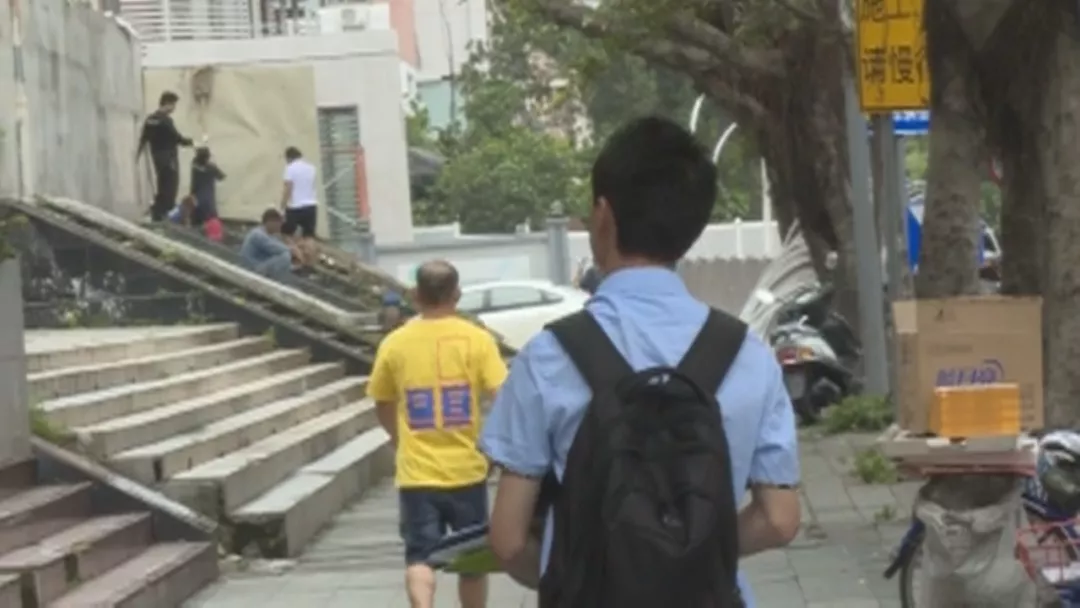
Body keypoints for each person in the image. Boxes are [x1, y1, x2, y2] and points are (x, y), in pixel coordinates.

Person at [479, 117, 801, 607]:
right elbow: (779, 519)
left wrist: (585, 570)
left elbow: (507, 539)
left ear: (603, 215)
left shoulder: (549, 356)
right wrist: (684, 556)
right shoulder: (748, 355)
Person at [367, 260, 508, 608]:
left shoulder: (395, 343)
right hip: (467, 471)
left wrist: (399, 440)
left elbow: (382, 401)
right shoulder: (477, 340)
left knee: (419, 557)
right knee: (472, 563)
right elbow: (505, 399)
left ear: (416, 295)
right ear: (456, 295)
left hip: (417, 474)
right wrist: (494, 449)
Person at [138, 91, 193, 222]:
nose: (174, 108)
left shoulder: (150, 119)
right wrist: (191, 142)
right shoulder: (165, 120)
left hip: (157, 158)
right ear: (167, 104)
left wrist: (138, 155)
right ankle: (166, 216)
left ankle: (157, 214)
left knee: (161, 186)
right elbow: (177, 138)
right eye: (173, 105)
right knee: (170, 188)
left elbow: (143, 139)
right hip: (169, 159)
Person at [280, 146, 318, 265]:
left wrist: (282, 206)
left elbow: (288, 188)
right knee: (309, 236)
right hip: (311, 205)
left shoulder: (290, 168)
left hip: (295, 206)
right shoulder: (311, 168)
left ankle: (299, 258)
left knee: (286, 234)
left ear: (288, 158)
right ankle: (311, 262)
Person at [240, 209, 298, 281]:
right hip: (252, 268)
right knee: (285, 256)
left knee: (285, 256)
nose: (280, 226)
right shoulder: (258, 234)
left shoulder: (269, 235)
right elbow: (277, 248)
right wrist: (293, 249)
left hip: (259, 265)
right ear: (271, 222)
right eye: (279, 223)